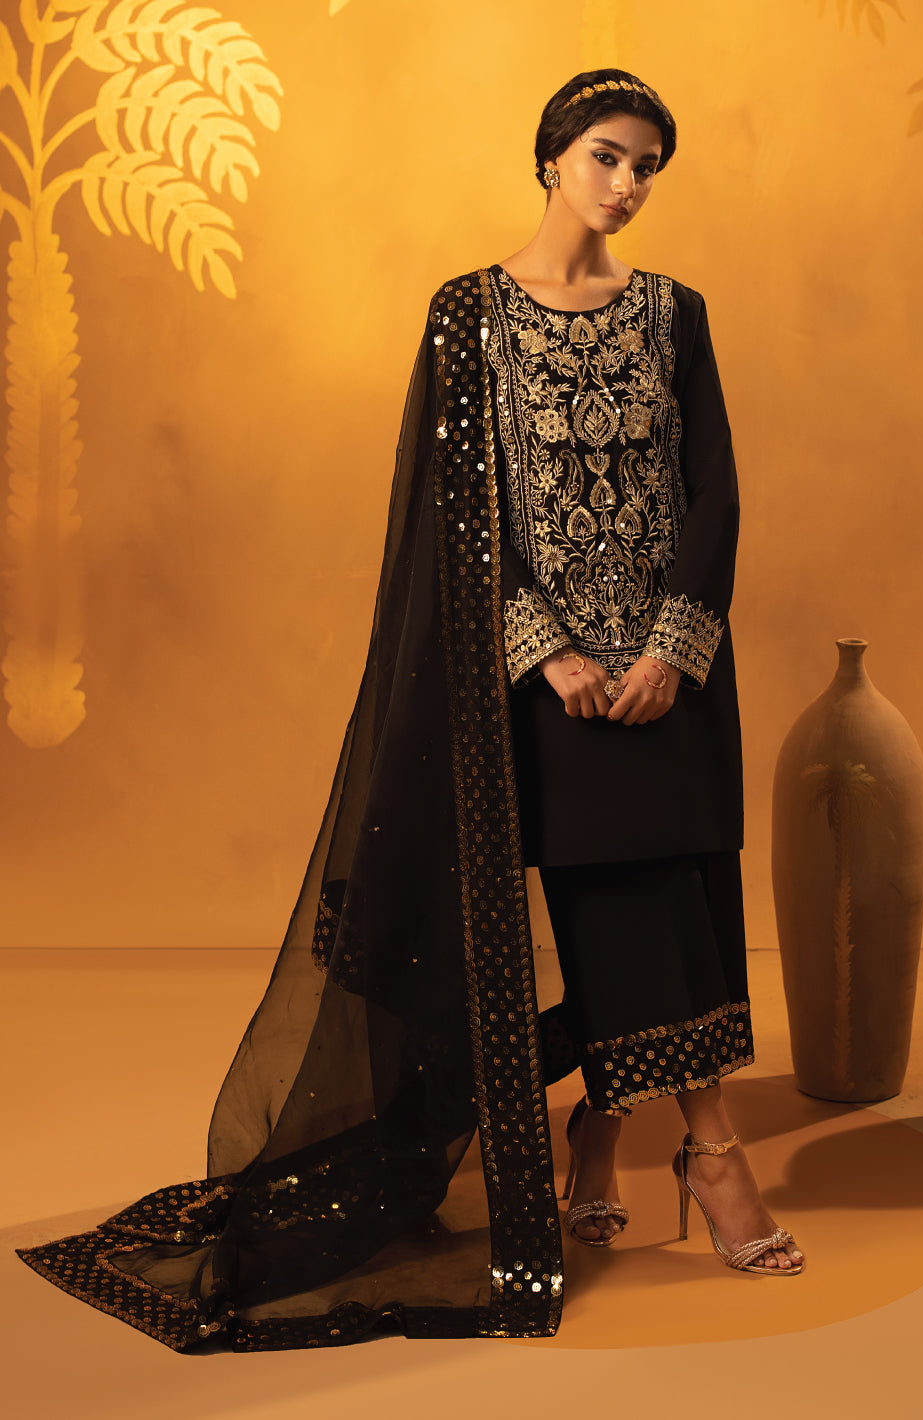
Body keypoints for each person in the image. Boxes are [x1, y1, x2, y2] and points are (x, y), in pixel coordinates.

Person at [16, 68, 801, 1355]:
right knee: (623, 896)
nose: (627, 185)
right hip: (544, 684)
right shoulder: (468, 315)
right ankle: (711, 1153)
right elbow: (452, 515)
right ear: (551, 158)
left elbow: (714, 487)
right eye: (607, 156)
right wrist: (545, 652)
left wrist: (674, 645)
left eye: (648, 167)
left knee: (686, 892)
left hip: (670, 668)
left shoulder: (675, 313)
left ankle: (602, 1133)